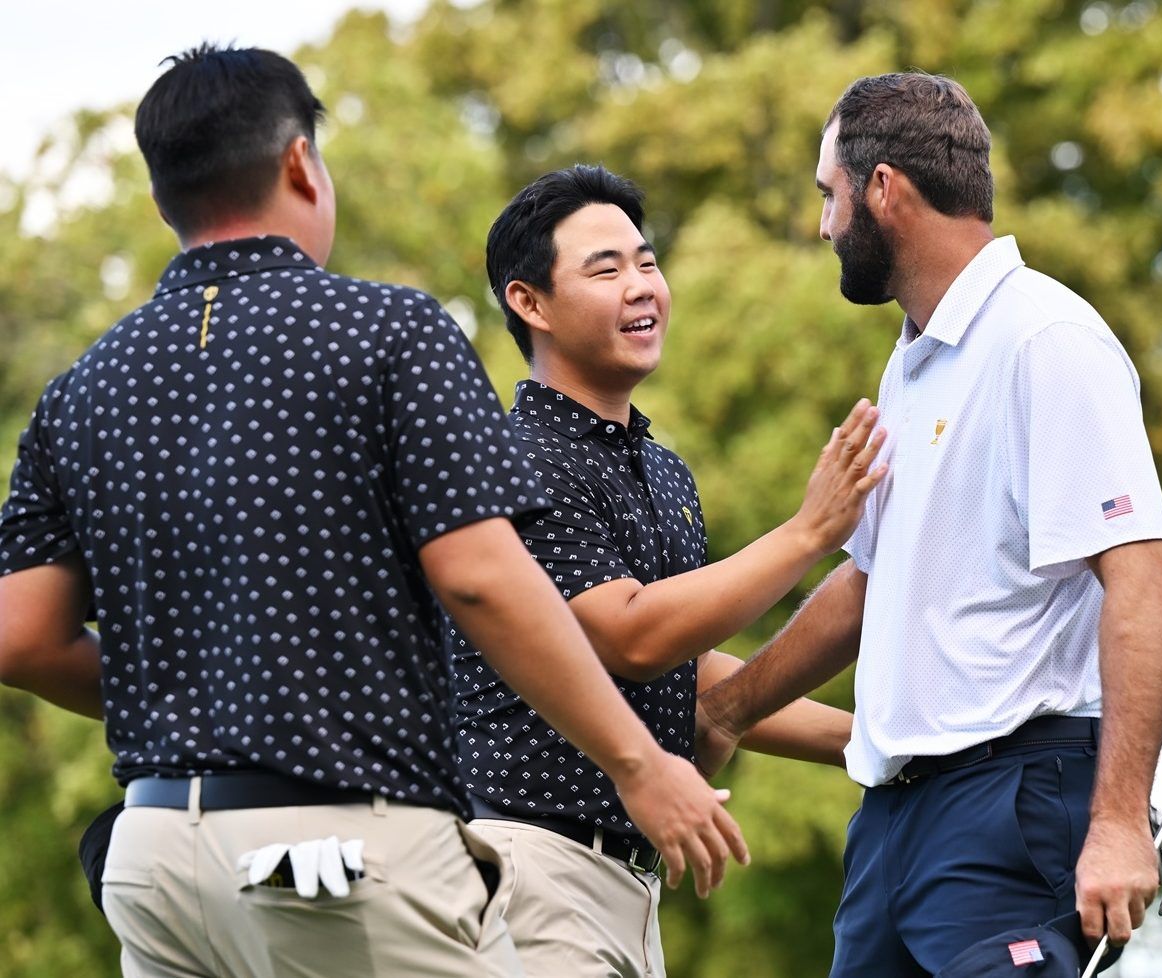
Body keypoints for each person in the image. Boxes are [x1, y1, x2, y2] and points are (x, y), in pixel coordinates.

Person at [0, 45, 746, 978]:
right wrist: (640, 765)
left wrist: (218, 695)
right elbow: (480, 578)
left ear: (164, 198)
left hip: (153, 868)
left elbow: (22, 639)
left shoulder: (80, 390)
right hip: (331, 857)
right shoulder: (388, 332)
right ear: (300, 165)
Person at [693, 72, 1162, 977]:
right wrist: (727, 709)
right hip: (892, 825)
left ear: (883, 190)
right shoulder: (912, 365)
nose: (823, 225)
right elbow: (871, 585)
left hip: (1011, 805)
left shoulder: (1046, 340)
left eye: (828, 196)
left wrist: (1119, 821)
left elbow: (1144, 577)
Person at [449, 164, 887, 978]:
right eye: (605, 269)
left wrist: (886, 745)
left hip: (627, 884)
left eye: (646, 263)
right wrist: (807, 534)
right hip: (527, 866)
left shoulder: (664, 471)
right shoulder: (514, 458)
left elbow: (687, 676)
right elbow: (631, 635)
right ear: (529, 303)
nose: (641, 287)